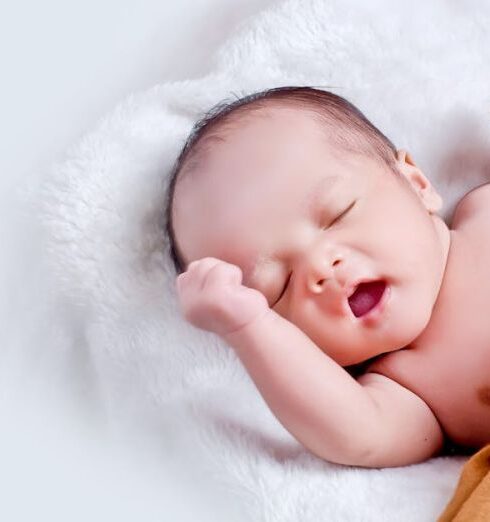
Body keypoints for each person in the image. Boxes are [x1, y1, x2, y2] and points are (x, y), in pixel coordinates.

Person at [164, 86, 487, 468]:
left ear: (416, 183)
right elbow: (359, 437)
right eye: (278, 286)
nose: (321, 267)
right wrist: (248, 327)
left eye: (338, 214)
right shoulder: (408, 390)